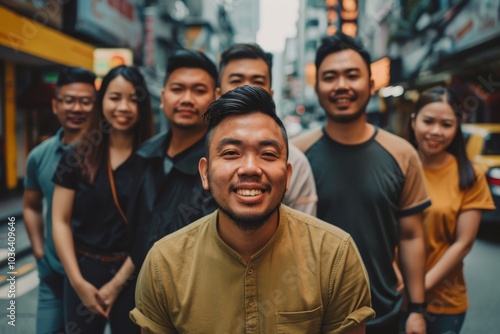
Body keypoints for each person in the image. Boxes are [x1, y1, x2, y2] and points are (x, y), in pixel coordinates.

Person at [130, 85, 375, 333]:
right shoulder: (164, 264)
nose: (250, 168)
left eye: (267, 154)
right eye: (231, 153)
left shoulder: (334, 256)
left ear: (288, 175)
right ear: (205, 173)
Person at [292, 32, 430, 334]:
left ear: (370, 83)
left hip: (384, 313)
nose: (341, 85)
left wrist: (417, 309)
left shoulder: (402, 154)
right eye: (330, 77)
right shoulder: (295, 155)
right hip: (310, 317)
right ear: (317, 87)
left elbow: (411, 236)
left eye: (352, 76)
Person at [52, 65, 153, 333]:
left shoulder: (152, 161)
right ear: (102, 101)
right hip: (83, 271)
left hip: (133, 274)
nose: (123, 107)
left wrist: (117, 283)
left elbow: (150, 229)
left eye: (133, 99)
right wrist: (77, 282)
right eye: (115, 97)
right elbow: (60, 221)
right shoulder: (76, 156)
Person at [406, 86, 495, 334]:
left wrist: (419, 289)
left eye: (446, 124)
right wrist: (399, 283)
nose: (436, 131)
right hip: (393, 293)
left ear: (457, 128)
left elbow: (463, 244)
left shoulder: (470, 175)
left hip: (444, 301)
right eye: (428, 121)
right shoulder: (396, 167)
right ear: (413, 121)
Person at [128, 49, 218, 270]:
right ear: (163, 96)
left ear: (216, 98)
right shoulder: (143, 155)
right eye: (177, 89)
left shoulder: (222, 165)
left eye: (198, 90)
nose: (186, 99)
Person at [23, 66, 96, 334]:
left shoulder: (110, 155)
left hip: (98, 274)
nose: (76, 108)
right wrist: (40, 251)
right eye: (68, 100)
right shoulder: (39, 156)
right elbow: (30, 206)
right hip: (53, 274)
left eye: (85, 101)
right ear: (55, 106)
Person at [217, 43, 318, 215]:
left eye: (257, 81)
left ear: (270, 95)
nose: (247, 89)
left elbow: (304, 234)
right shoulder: (198, 153)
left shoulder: (294, 161)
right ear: (218, 94)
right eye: (236, 81)